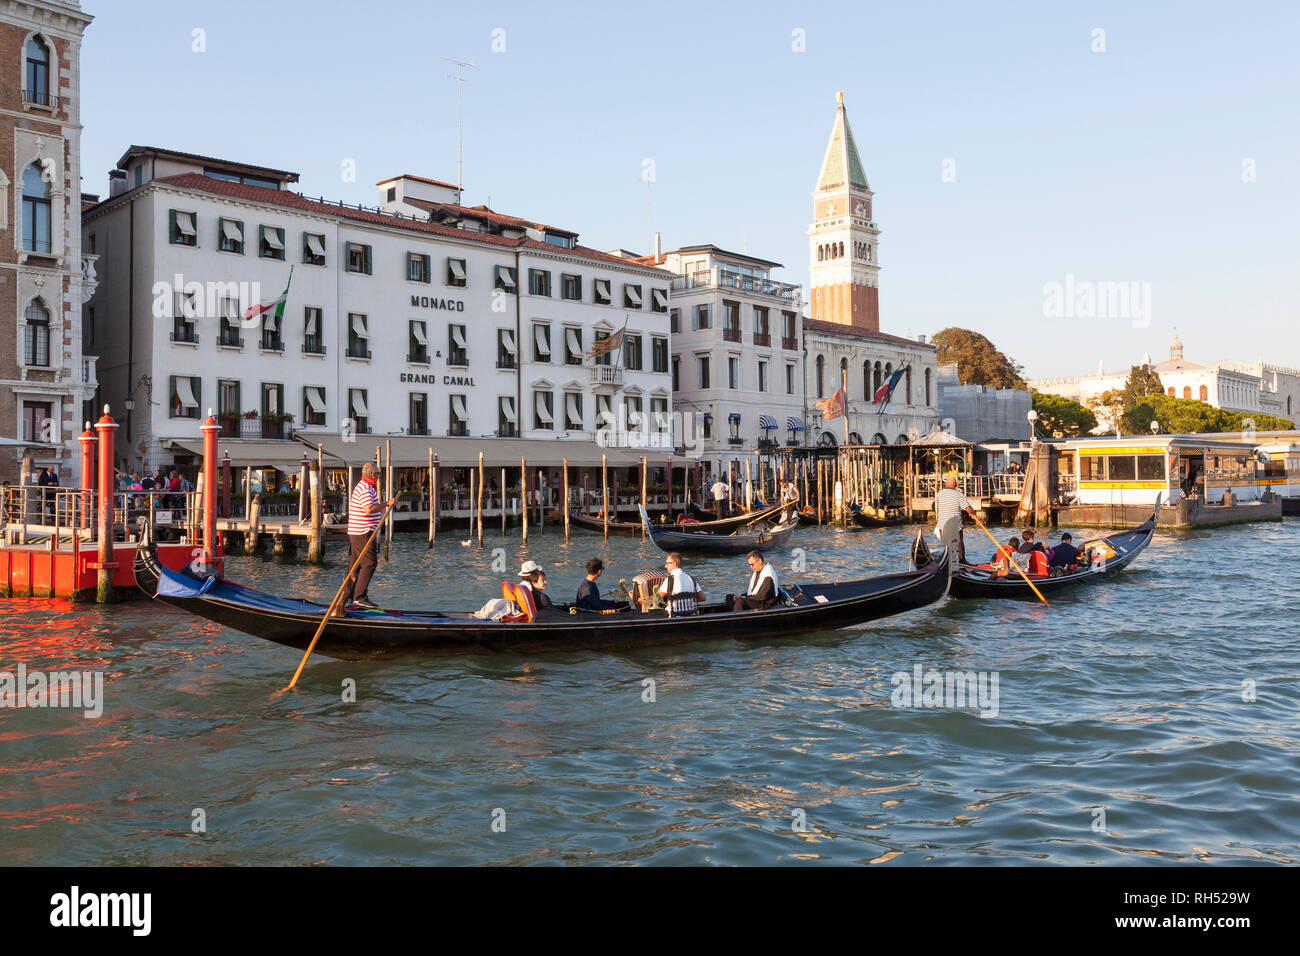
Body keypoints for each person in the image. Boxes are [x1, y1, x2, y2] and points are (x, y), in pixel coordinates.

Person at [338, 462, 392, 613]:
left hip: (359, 531)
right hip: (362, 532)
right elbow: (368, 509)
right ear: (372, 474)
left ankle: (347, 597)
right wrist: (386, 504)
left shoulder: (366, 487)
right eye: (379, 473)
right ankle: (359, 597)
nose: (380, 476)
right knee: (369, 563)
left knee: (354, 566)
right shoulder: (365, 488)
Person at [934, 475, 976, 563]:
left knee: (948, 545)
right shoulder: (958, 495)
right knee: (959, 544)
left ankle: (949, 561)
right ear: (956, 485)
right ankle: (962, 560)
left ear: (946, 484)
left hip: (942, 525)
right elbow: (968, 509)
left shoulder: (939, 494)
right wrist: (973, 513)